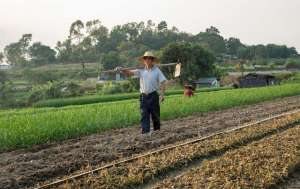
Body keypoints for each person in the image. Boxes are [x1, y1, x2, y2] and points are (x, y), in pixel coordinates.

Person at [116, 51, 167, 134]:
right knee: (144, 115)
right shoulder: (141, 71)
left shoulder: (157, 71)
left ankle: (157, 132)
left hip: (153, 95)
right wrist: (121, 70)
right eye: (146, 58)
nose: (148, 60)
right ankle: (145, 133)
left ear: (152, 60)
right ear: (144, 60)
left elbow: (163, 82)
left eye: (150, 58)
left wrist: (162, 95)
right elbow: (129, 73)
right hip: (143, 97)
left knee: (155, 116)